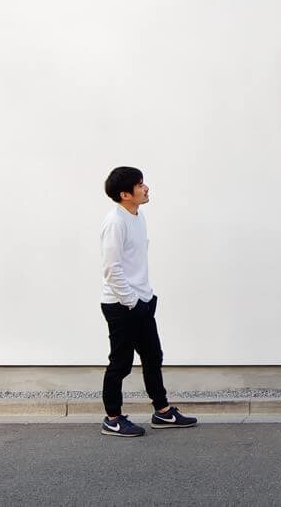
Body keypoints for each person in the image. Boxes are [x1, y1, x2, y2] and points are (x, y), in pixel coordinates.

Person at [98, 166, 197, 437]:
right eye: (140, 185)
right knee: (121, 363)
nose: (146, 188)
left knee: (153, 356)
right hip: (121, 305)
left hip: (141, 301)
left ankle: (162, 412)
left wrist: (147, 297)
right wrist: (132, 301)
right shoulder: (115, 222)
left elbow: (136, 262)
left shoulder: (137, 216)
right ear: (124, 194)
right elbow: (112, 269)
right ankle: (112, 418)